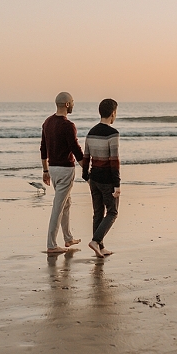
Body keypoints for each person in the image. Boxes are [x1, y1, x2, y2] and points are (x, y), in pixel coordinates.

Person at [40, 92, 85, 254]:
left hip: (52, 169)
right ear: (67, 104)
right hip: (65, 170)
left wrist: (45, 170)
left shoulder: (47, 122)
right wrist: (87, 168)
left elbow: (43, 148)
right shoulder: (68, 125)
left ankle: (68, 238)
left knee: (66, 202)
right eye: (72, 102)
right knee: (58, 206)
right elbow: (76, 149)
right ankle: (51, 244)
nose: (73, 104)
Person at [82, 99, 120, 258]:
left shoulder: (91, 132)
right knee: (112, 212)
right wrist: (117, 185)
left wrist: (86, 176)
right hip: (107, 180)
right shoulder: (113, 134)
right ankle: (96, 241)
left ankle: (100, 247)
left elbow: (86, 156)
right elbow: (114, 160)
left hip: (94, 178)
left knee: (98, 212)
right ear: (113, 113)